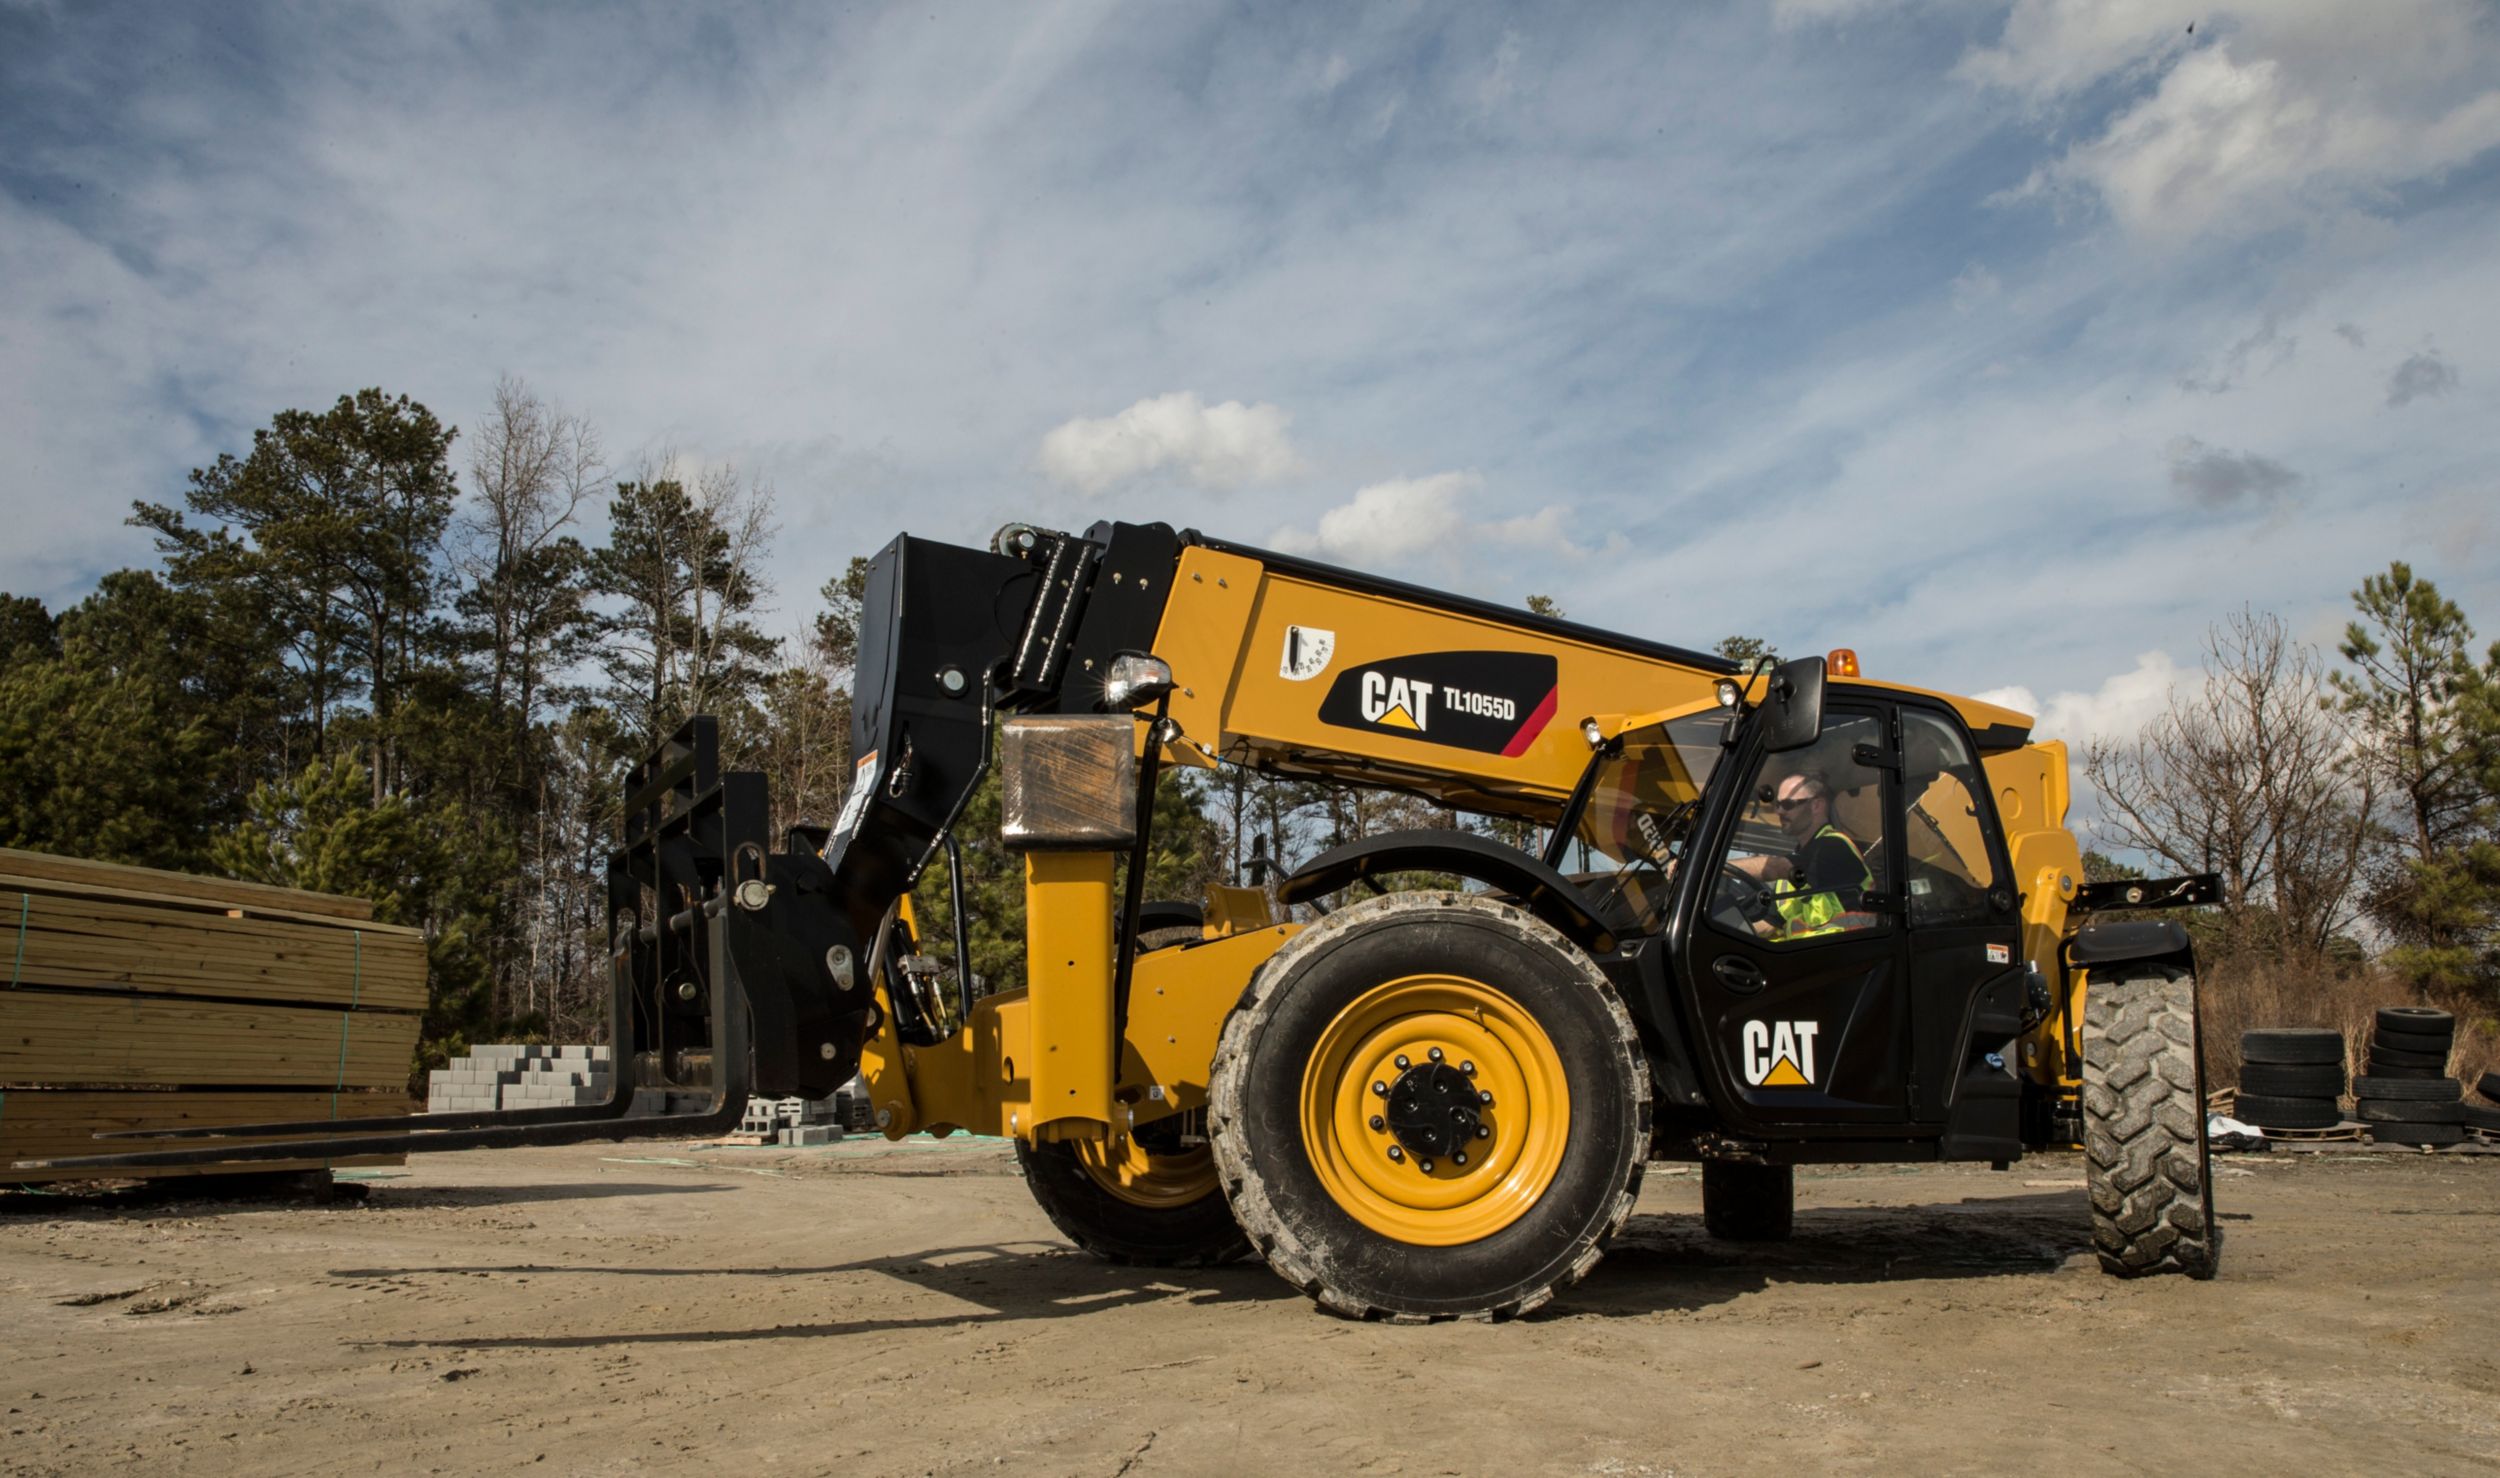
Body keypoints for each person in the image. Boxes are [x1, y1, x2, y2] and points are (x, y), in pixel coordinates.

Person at [1734, 774, 1872, 937]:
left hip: (1846, 954)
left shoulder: (1834, 846)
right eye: (1778, 804)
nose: (1778, 811)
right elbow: (1770, 924)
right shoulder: (1798, 867)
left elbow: (1774, 867)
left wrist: (1715, 868)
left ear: (1816, 805)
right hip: (1804, 955)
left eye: (1787, 804)